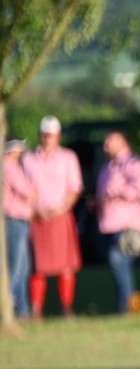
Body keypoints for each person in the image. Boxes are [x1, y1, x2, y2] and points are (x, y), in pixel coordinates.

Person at [21, 116, 84, 320]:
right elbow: (24, 189)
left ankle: (66, 307)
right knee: (37, 267)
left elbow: (75, 188)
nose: (48, 139)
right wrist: (36, 211)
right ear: (40, 135)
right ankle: (36, 309)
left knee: (65, 266)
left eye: (52, 135)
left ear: (58, 137)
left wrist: (59, 209)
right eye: (45, 135)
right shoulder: (28, 160)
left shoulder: (68, 158)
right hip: (37, 217)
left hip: (60, 215)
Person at [95, 130, 140, 314]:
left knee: (118, 260)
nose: (106, 146)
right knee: (118, 264)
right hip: (109, 224)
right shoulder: (107, 167)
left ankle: (127, 306)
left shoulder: (133, 163)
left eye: (110, 141)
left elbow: (139, 188)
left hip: (128, 224)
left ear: (123, 142)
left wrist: (117, 194)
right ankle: (127, 303)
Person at [3, 139, 31, 318]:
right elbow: (27, 191)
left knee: (22, 267)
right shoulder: (9, 167)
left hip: (17, 221)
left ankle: (22, 308)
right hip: (14, 220)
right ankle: (8, 305)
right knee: (17, 267)